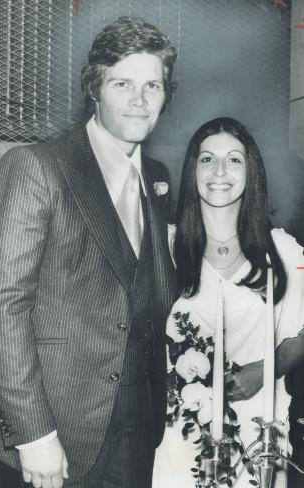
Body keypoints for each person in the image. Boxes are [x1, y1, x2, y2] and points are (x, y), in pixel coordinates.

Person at [0, 16, 177, 488]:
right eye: (122, 82)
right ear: (95, 88)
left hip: (138, 429)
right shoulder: (35, 167)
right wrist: (33, 434)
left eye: (153, 85)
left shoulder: (158, 178)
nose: (138, 99)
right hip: (54, 436)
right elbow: (0, 306)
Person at [152, 117, 304, 488]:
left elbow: (301, 333)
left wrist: (265, 369)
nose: (220, 170)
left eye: (234, 159)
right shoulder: (163, 247)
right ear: (192, 171)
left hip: (258, 432)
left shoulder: (281, 251)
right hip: (178, 432)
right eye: (207, 159)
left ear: (251, 171)